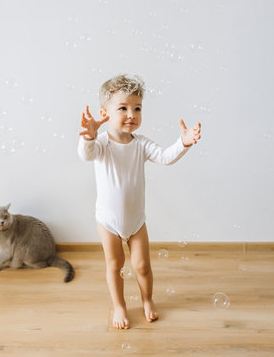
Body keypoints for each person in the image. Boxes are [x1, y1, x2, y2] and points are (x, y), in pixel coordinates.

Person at [77, 74, 201, 329]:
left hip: (136, 221)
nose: (131, 114)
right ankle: (120, 306)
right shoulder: (101, 144)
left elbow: (166, 157)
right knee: (115, 265)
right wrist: (88, 136)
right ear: (105, 113)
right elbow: (86, 155)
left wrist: (183, 143)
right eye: (122, 108)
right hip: (108, 221)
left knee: (142, 266)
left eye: (137, 108)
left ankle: (147, 299)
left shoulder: (141, 144)